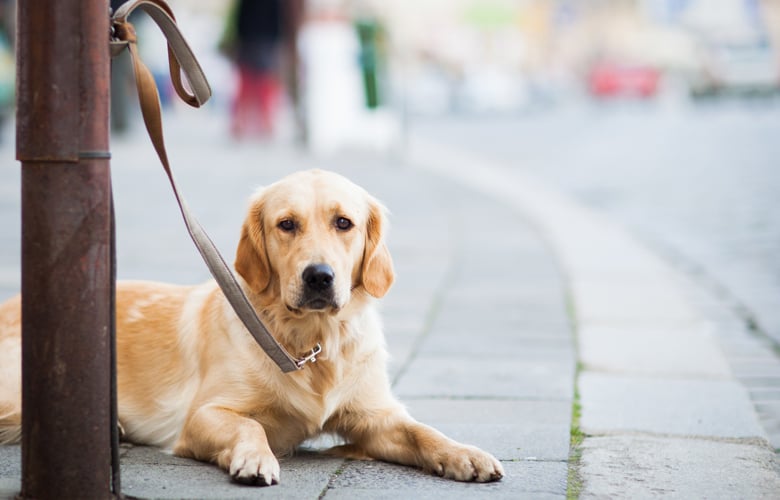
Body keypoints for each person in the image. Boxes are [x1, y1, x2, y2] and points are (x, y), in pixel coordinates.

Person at [223, 0, 285, 139]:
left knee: (252, 85)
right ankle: (261, 123)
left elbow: (241, 18)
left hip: (252, 41)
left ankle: (248, 122)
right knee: (261, 84)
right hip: (263, 41)